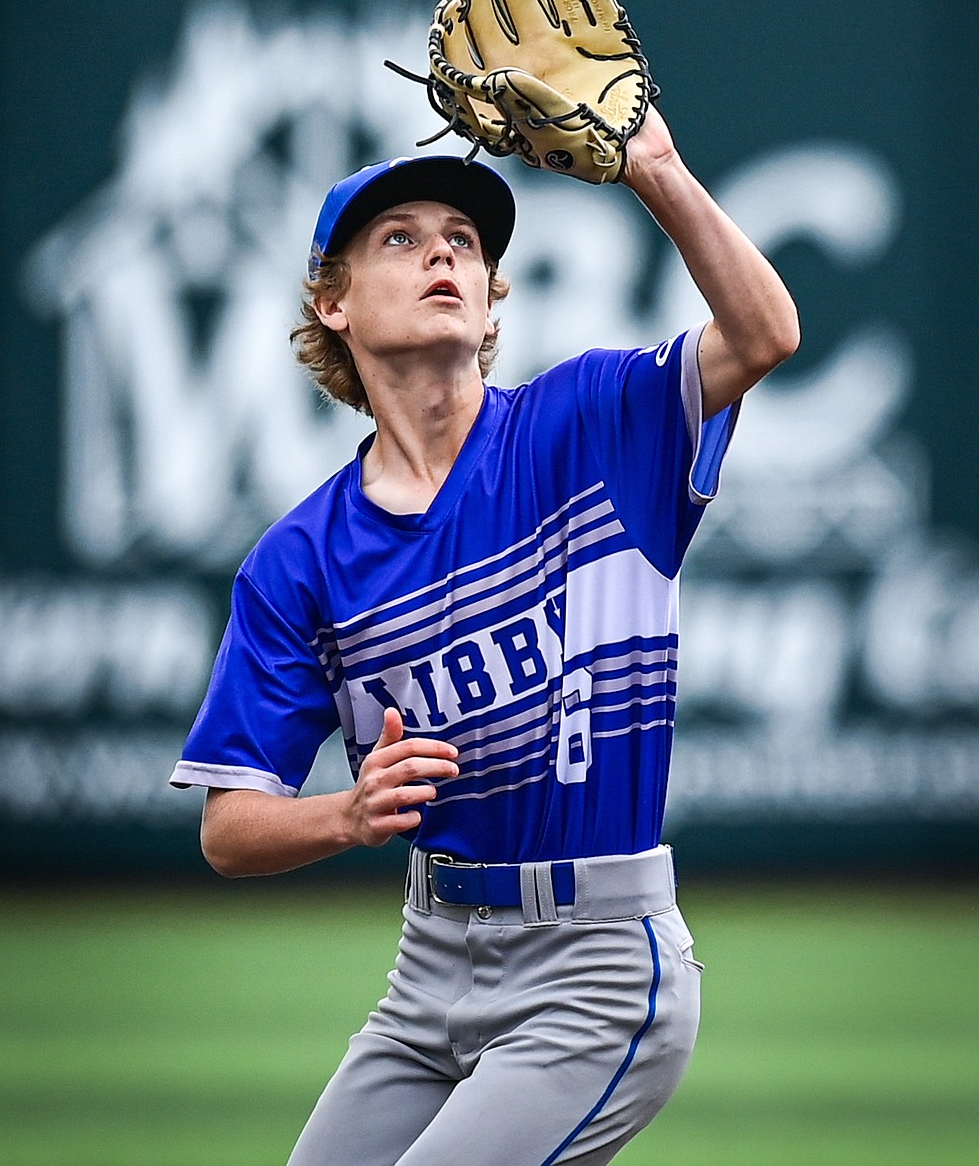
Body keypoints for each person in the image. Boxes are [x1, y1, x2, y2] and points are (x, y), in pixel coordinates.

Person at [171, 105, 799, 1165]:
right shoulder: (301, 558)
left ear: (495, 297)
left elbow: (765, 334)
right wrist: (351, 814)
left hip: (598, 963)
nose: (445, 256)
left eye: (464, 241)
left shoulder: (593, 424)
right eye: (401, 240)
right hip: (429, 968)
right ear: (332, 302)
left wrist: (655, 168)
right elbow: (230, 828)